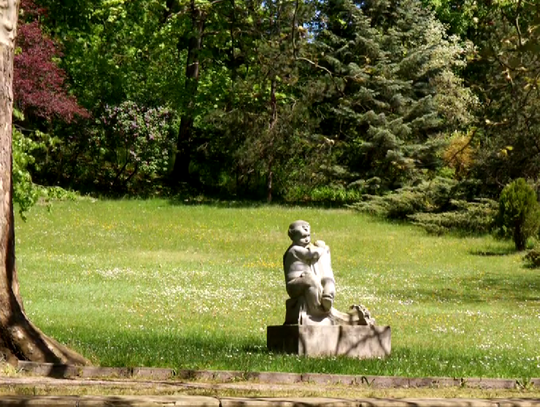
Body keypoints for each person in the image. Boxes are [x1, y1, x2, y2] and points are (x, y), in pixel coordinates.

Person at [283, 220, 335, 319]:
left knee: (314, 279)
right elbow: (312, 255)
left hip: (302, 280)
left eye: (308, 236)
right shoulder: (294, 250)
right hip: (293, 285)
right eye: (303, 237)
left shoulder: (302, 247)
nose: (307, 239)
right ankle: (316, 309)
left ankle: (325, 298)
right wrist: (322, 247)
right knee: (311, 279)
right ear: (293, 237)